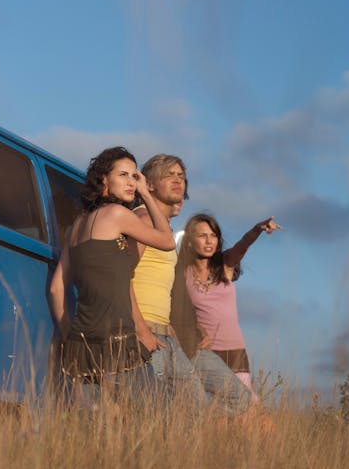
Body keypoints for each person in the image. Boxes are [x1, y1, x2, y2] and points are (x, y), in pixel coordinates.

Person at [46, 146, 174, 405]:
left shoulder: (75, 227)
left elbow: (56, 288)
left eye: (134, 177)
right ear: (104, 179)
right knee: (157, 421)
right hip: (118, 341)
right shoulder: (117, 215)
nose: (131, 182)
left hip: (83, 345)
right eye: (124, 175)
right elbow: (167, 240)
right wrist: (146, 195)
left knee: (100, 428)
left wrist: (68, 333)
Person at [132, 154, 251, 414]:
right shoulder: (141, 221)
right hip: (147, 333)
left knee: (212, 406)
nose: (178, 180)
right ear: (148, 185)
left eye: (181, 176)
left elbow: (168, 288)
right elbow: (121, 277)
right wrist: (142, 328)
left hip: (168, 335)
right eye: (169, 174)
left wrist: (182, 325)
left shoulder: (162, 228)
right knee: (177, 412)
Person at [175, 213, 281, 398]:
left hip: (235, 351)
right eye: (202, 236)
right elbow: (177, 310)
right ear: (190, 241)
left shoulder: (225, 265)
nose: (209, 241)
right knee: (215, 412)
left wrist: (258, 229)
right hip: (203, 353)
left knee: (248, 409)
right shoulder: (183, 274)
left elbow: (242, 245)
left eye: (213, 235)